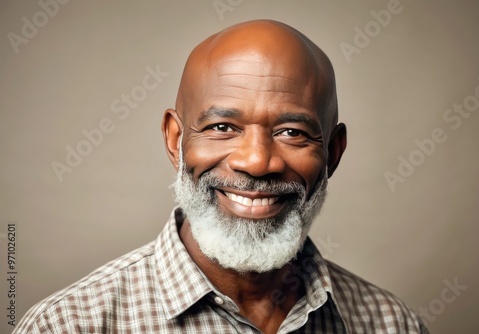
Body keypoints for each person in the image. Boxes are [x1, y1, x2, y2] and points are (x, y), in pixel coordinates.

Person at [14, 20, 429, 334]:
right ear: (176, 140)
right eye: (222, 128)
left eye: (292, 133)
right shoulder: (67, 325)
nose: (256, 162)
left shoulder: (391, 324)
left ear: (332, 153)